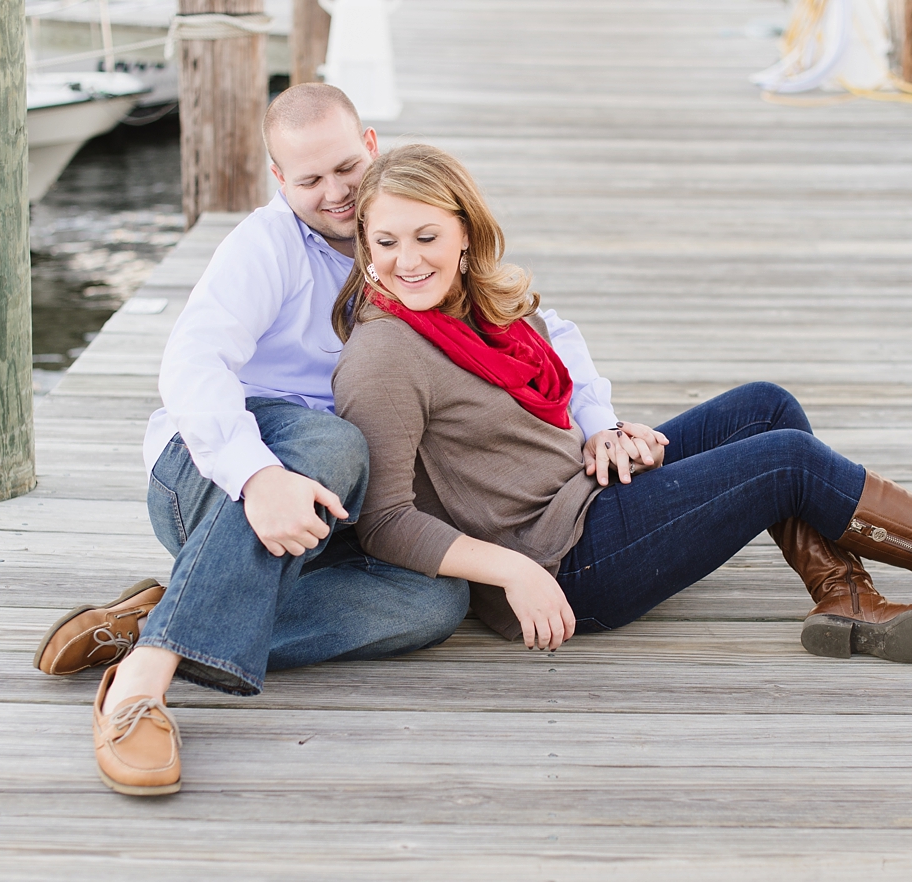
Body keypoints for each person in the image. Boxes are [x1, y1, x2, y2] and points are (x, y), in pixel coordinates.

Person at [30, 84, 625, 797]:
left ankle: (167, 614)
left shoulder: (408, 226)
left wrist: (599, 424)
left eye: (346, 168)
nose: (335, 193)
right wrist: (256, 474)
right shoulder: (264, 246)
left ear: (370, 147)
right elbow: (192, 363)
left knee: (434, 603)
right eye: (308, 180)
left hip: (329, 504)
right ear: (280, 180)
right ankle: (141, 685)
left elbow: (541, 325)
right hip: (215, 475)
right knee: (330, 442)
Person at [330, 143, 912, 665]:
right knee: (785, 461)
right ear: (364, 246)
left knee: (764, 406)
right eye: (386, 241)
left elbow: (540, 416)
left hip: (579, 495)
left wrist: (605, 434)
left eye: (426, 237)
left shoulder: (482, 312)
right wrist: (510, 571)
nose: (406, 261)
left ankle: (845, 597)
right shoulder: (385, 353)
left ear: (465, 232)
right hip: (559, 564)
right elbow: (387, 520)